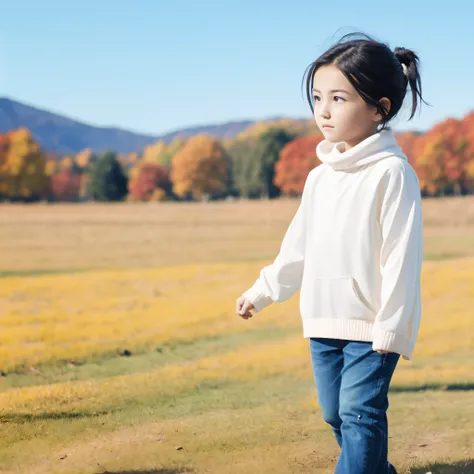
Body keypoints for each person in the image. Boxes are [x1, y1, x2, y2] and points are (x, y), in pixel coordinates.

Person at [235, 32, 426, 474]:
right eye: (318, 97)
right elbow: (298, 246)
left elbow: (401, 257)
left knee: (360, 416)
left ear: (380, 107)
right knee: (336, 415)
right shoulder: (320, 178)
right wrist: (263, 291)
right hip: (322, 321)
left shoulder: (393, 173)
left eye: (338, 97)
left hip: (371, 326)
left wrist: (391, 328)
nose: (323, 110)